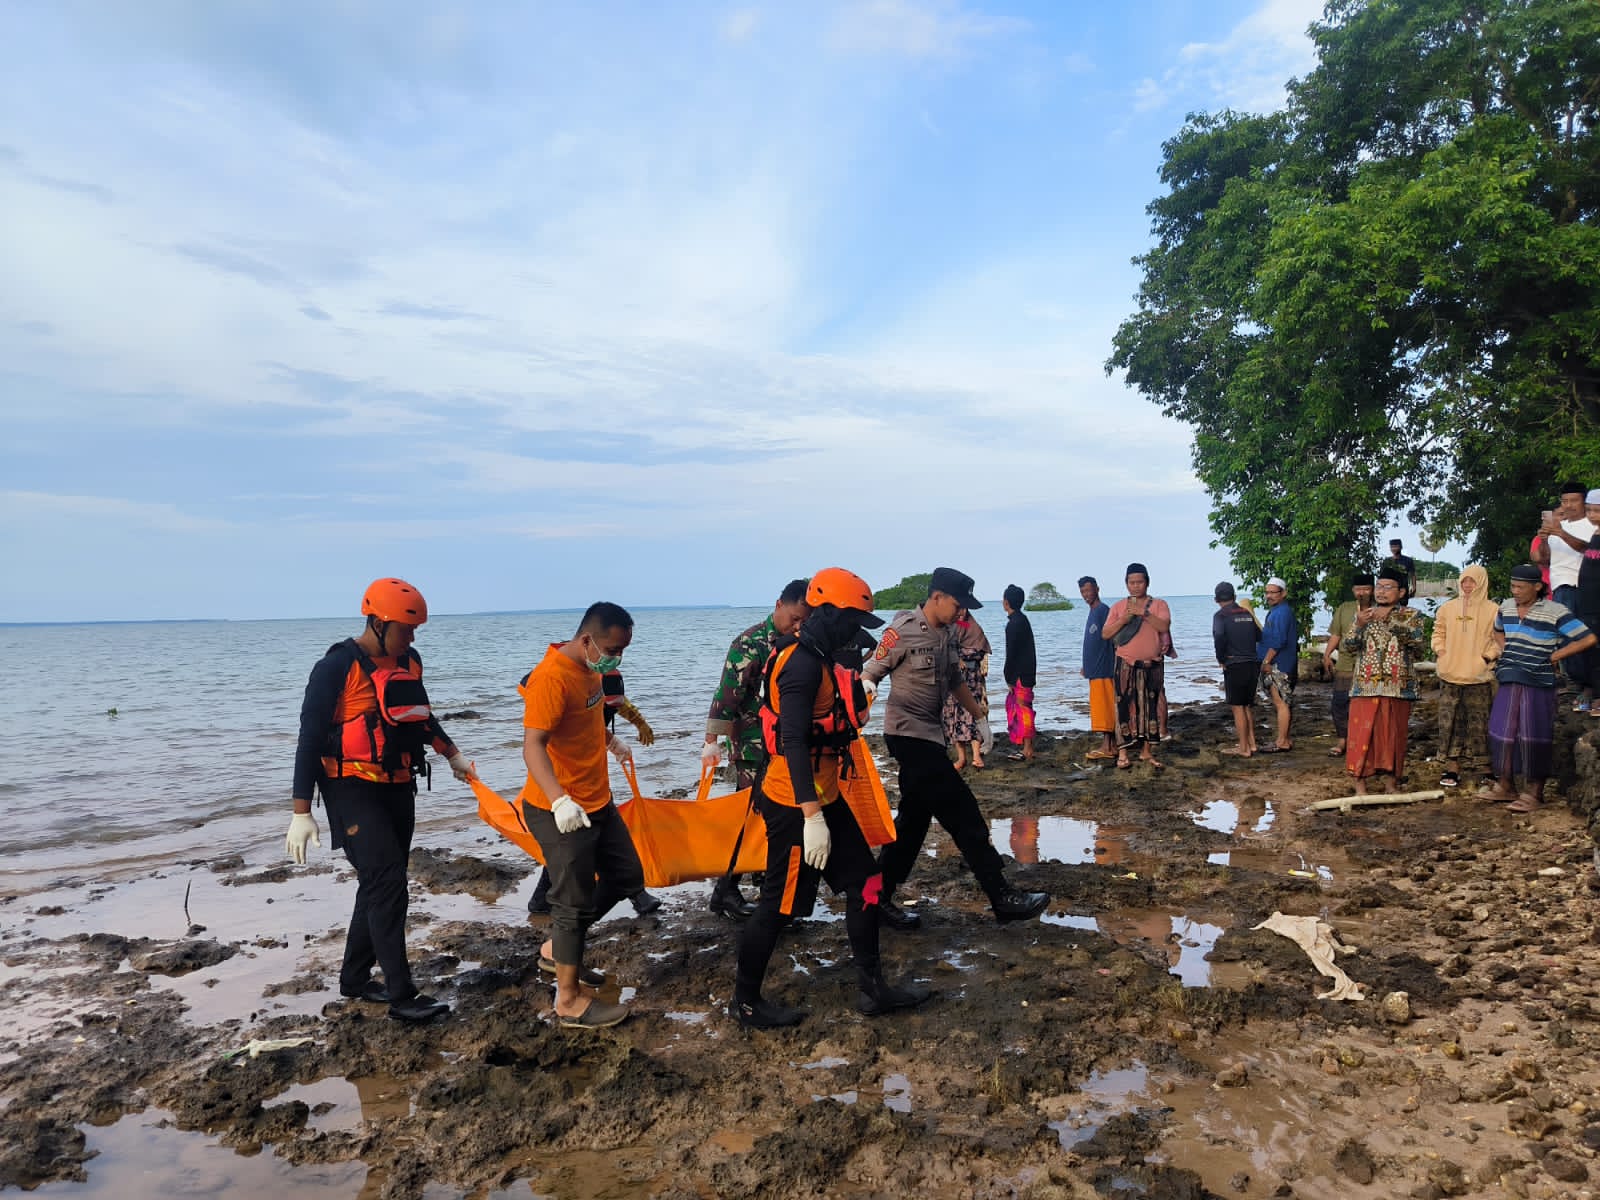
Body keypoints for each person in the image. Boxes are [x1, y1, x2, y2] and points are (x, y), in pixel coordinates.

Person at [731, 568, 930, 1028]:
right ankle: (744, 1003)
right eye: (852, 620)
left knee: (869, 885)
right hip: (793, 804)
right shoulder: (800, 665)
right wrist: (811, 817)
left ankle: (873, 989)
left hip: (825, 796)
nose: (856, 632)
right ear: (828, 612)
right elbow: (794, 740)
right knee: (778, 908)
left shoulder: (822, 657)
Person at [286, 578, 474, 1024]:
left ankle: (353, 979)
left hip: (398, 784)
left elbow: (420, 716)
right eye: (405, 629)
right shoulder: (334, 668)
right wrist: (300, 811)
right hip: (350, 788)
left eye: (414, 631)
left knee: (378, 882)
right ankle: (402, 995)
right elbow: (310, 739)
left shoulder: (410, 660)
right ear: (376, 622)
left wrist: (453, 754)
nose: (412, 638)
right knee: (387, 883)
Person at [864, 567, 1049, 929]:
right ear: (937, 597)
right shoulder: (901, 629)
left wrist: (980, 718)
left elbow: (953, 679)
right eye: (957, 604)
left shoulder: (948, 634)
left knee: (912, 823)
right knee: (964, 814)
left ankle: (875, 899)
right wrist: (864, 693)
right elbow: (871, 671)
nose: (962, 612)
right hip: (906, 735)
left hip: (932, 736)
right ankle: (1001, 896)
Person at [519, 602, 646, 1029]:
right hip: (558, 807)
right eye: (612, 648)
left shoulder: (592, 670)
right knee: (571, 903)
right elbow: (533, 744)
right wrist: (558, 799)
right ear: (587, 639)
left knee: (628, 876)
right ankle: (568, 1002)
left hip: (597, 799)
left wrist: (612, 742)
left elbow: (585, 720)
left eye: (624, 650)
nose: (617, 658)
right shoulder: (551, 678)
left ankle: (557, 950)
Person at [701, 579, 811, 920]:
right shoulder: (750, 644)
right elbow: (726, 697)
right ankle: (726, 891)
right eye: (794, 618)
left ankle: (765, 885)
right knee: (750, 820)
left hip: (785, 749)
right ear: (779, 605)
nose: (797, 626)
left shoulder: (801, 645)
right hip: (753, 748)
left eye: (804, 621)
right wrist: (711, 743)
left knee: (776, 820)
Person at [525, 665, 661, 918]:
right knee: (572, 840)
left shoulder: (604, 682)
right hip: (562, 775)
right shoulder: (559, 685)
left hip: (590, 774)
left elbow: (616, 706)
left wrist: (637, 725)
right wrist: (610, 741)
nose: (610, 709)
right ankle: (635, 896)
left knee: (584, 838)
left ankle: (634, 893)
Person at [1482, 564, 1597, 812]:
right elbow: (1497, 630)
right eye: (1513, 586)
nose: (1515, 591)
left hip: (1539, 680)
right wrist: (1506, 649)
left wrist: (1556, 656)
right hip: (1509, 676)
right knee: (1502, 732)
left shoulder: (1555, 611)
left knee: (1533, 733)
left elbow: (1587, 638)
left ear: (1537, 587)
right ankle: (1505, 785)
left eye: (1520, 587)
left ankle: (1534, 792)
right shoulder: (1506, 607)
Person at [1342, 566, 1427, 795]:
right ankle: (1360, 783)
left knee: (1393, 737)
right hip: (1364, 686)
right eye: (1378, 586)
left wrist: (1390, 620)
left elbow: (1419, 647)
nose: (1381, 591)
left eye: (1387, 587)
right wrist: (1358, 625)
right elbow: (1349, 647)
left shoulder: (1412, 616)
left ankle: (1391, 783)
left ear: (1401, 592)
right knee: (1362, 735)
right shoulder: (1363, 616)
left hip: (1397, 687)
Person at [1432, 565, 1500, 788]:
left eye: (1472, 581)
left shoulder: (1493, 610)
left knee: (1481, 723)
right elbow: (1438, 632)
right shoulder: (1447, 608)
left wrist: (1486, 657)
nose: (1468, 586)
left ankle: (1486, 770)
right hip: (1450, 673)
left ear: (1481, 582)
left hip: (1479, 676)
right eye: (1464, 581)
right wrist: (1442, 653)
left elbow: (1499, 640)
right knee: (1450, 722)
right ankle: (1452, 769)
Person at [1102, 563, 1172, 770]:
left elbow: (1164, 626)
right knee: (1122, 706)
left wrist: (1144, 613)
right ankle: (1123, 752)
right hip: (1125, 663)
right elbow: (1106, 634)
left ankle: (1146, 752)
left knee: (1150, 708)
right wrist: (1124, 619)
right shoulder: (1117, 607)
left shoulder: (1159, 604)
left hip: (1152, 665)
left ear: (1147, 583)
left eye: (1139, 582)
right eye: (1132, 582)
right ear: (1126, 584)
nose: (1136, 586)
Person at [1537, 482, 1596, 708]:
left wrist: (1560, 532)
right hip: (1559, 587)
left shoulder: (1590, 524)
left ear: (1584, 501)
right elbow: (1543, 559)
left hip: (1580, 586)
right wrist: (1544, 537)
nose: (1569, 505)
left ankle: (1588, 687)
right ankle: (1579, 684)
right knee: (1564, 639)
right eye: (1564, 501)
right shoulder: (1556, 526)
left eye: (1574, 500)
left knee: (1581, 638)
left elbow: (1589, 549)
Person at [1322, 575, 1374, 758]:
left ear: (1372, 590)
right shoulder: (1345, 609)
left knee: (1366, 706)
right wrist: (1327, 654)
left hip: (1370, 666)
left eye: (1366, 589)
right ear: (1353, 591)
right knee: (1340, 703)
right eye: (1358, 589)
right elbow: (1336, 634)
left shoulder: (1377, 610)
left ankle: (1364, 742)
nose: (1362, 593)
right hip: (1345, 663)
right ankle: (1342, 740)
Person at [1212, 582, 1260, 758]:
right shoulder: (1246, 613)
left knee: (1237, 707)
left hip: (1235, 664)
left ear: (1216, 599)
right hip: (1252, 663)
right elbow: (1259, 636)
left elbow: (1219, 637)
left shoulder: (1220, 616)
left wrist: (1221, 659)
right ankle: (1251, 744)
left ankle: (1243, 748)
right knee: (1246, 705)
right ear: (1234, 596)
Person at [943, 609, 992, 770]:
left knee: (974, 715)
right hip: (953, 679)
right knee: (953, 717)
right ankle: (961, 757)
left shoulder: (970, 625)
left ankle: (977, 755)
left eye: (964, 609)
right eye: (958, 609)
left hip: (973, 679)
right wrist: (956, 659)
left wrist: (963, 658)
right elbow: (943, 647)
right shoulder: (950, 625)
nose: (961, 612)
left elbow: (981, 650)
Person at [1076, 577, 1116, 761]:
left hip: (1104, 669)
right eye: (1083, 592)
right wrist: (1086, 666)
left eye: (1088, 591)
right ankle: (1109, 744)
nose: (1086, 595)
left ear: (1097, 589)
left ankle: (1109, 746)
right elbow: (1093, 643)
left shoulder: (1102, 611)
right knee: (1100, 707)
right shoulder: (1093, 612)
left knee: (1105, 707)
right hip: (1094, 670)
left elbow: (1111, 639)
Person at [1256, 577, 1298, 753]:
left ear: (1283, 593)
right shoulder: (1277, 611)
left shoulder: (1282, 612)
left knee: (1281, 703)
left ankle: (1282, 742)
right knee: (1283, 702)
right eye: (1267, 592)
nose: (1269, 596)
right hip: (1281, 664)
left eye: (1273, 592)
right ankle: (1285, 739)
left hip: (1279, 666)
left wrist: (1266, 661)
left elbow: (1279, 641)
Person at [1003, 584, 1040, 762]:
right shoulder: (1022, 620)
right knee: (1024, 708)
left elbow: (1012, 654)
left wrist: (1008, 677)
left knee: (1024, 710)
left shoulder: (1014, 624)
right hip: (1027, 672)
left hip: (1020, 675)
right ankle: (1026, 744)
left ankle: (1027, 748)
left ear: (1006, 602)